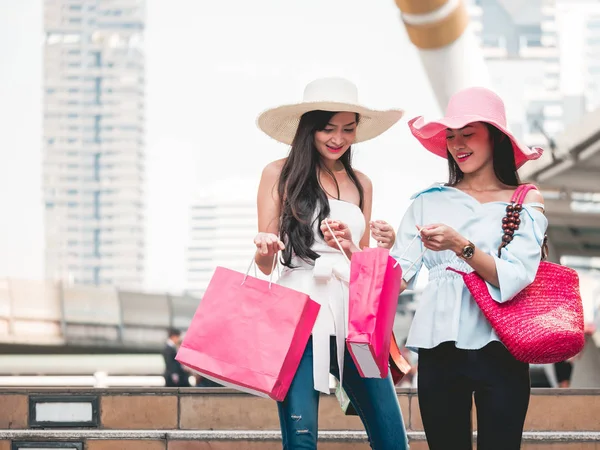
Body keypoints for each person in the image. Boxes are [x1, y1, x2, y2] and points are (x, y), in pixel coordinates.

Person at [253, 77, 408, 450]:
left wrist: (365, 246)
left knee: (391, 436)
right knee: (301, 435)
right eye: (328, 128)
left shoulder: (362, 183)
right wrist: (264, 245)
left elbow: (365, 267)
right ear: (310, 129)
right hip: (298, 312)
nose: (338, 138)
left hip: (354, 319)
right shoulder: (279, 173)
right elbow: (264, 264)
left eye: (348, 129)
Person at [391, 87, 547, 450]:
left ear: (495, 137)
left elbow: (516, 277)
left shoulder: (525, 199)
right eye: (450, 136)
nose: (457, 144)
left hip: (503, 346)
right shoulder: (428, 201)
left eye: (468, 134)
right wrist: (359, 252)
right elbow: (399, 275)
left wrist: (460, 245)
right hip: (438, 347)